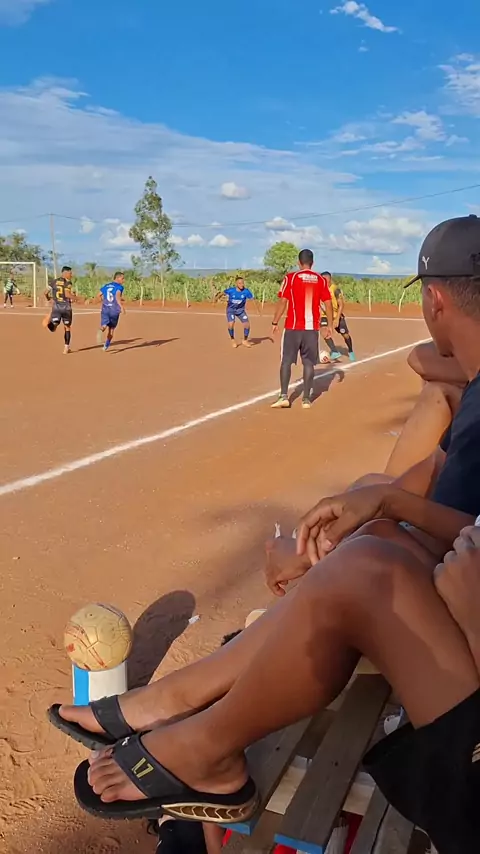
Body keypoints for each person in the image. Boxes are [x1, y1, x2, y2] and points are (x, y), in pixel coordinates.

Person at [270, 249, 334, 410]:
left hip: (293, 327)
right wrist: (330, 325)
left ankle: (284, 396)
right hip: (311, 330)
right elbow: (328, 303)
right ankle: (306, 399)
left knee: (286, 361)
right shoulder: (320, 280)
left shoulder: (290, 278)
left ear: (299, 262)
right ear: (312, 263)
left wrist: (275, 321)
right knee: (308, 363)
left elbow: (283, 301)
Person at [321, 272, 355, 362]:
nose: (324, 282)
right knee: (324, 331)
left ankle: (350, 351)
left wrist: (337, 319)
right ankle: (334, 351)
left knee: (345, 335)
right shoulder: (319, 289)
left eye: (326, 280)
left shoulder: (335, 289)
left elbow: (341, 305)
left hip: (336, 316)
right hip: (325, 315)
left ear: (330, 280)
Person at [42, 266, 75, 354]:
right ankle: (66, 348)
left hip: (56, 307)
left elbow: (45, 292)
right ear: (65, 273)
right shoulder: (68, 283)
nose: (71, 275)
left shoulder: (54, 282)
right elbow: (67, 294)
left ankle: (50, 322)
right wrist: (78, 298)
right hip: (66, 308)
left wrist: (48, 298)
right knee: (67, 327)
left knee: (54, 327)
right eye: (70, 273)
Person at [97, 272, 126, 351]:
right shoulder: (119, 287)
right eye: (122, 278)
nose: (123, 280)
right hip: (114, 310)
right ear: (117, 278)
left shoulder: (106, 286)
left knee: (104, 325)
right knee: (111, 329)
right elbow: (117, 296)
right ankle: (106, 346)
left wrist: (104, 301)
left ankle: (101, 330)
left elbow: (98, 295)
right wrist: (121, 306)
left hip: (105, 309)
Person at [223, 277, 254, 349]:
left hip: (240, 311)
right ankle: (232, 339)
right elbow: (222, 293)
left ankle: (245, 340)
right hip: (231, 310)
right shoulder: (231, 290)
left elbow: (252, 299)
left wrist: (257, 307)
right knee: (231, 324)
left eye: (242, 283)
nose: (241, 285)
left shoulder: (246, 291)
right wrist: (216, 299)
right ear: (236, 284)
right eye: (240, 283)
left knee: (247, 325)